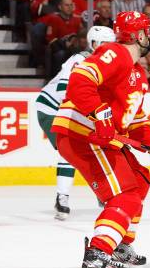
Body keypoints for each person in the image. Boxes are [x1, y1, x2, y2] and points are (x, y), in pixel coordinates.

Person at [51, 12, 150, 268]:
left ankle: (120, 244)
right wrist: (99, 113)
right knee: (125, 194)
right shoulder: (116, 53)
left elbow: (133, 121)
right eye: (147, 31)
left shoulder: (136, 72)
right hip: (83, 134)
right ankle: (98, 254)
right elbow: (81, 79)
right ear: (137, 35)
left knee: (140, 180)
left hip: (97, 137)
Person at [36, 26, 116, 221]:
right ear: (94, 43)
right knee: (70, 148)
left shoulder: (105, 64)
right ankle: (62, 197)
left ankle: (102, 193)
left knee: (94, 150)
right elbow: (66, 89)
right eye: (106, 44)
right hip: (52, 109)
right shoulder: (79, 60)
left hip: (72, 110)